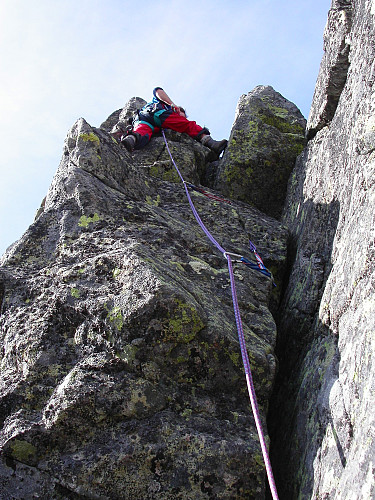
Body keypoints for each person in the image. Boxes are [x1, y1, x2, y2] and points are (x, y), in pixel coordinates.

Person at [119, 87, 228, 156]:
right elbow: (158, 90)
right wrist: (172, 104)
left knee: (142, 133)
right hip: (157, 113)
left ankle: (130, 139)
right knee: (188, 125)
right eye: (182, 115)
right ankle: (211, 143)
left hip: (143, 119)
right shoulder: (168, 107)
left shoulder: (158, 109)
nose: (182, 117)